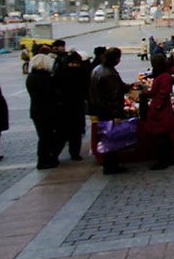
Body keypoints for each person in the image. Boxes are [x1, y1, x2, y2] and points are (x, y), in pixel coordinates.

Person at [88, 47, 129, 175]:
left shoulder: (98, 69)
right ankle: (111, 166)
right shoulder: (109, 73)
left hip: (99, 108)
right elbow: (114, 95)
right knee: (112, 139)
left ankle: (109, 164)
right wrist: (117, 114)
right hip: (108, 111)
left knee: (106, 138)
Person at [26, 53, 63, 168]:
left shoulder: (32, 76)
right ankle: (45, 159)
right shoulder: (43, 78)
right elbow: (50, 94)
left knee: (44, 136)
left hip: (38, 111)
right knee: (46, 137)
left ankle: (46, 158)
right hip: (46, 111)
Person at [140, 54, 174, 170]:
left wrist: (157, 106)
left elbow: (162, 93)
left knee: (161, 136)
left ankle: (163, 160)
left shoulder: (164, 76)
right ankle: (168, 158)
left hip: (160, 109)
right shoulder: (163, 75)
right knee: (163, 135)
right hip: (160, 107)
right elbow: (157, 91)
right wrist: (144, 94)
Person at [55, 51, 90, 160]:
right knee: (62, 133)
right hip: (64, 107)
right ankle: (55, 154)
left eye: (76, 63)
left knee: (76, 132)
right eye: (71, 63)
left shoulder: (81, 74)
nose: (74, 65)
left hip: (77, 107)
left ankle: (74, 153)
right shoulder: (61, 74)